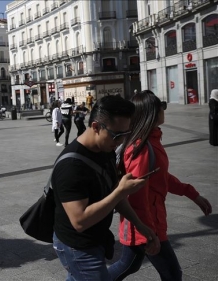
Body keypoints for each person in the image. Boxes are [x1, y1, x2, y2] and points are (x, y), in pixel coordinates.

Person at [108, 90, 212, 281]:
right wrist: (149, 233)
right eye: (161, 105)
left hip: (145, 222)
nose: (164, 108)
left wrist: (192, 194)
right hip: (147, 224)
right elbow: (137, 196)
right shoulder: (142, 149)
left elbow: (160, 177)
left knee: (128, 265)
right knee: (172, 274)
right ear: (152, 112)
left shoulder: (150, 142)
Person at [52, 95, 159, 280]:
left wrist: (140, 225)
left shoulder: (105, 150)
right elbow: (79, 221)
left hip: (96, 239)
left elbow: (116, 197)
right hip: (77, 246)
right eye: (117, 135)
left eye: (126, 134)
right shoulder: (71, 166)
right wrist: (120, 191)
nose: (120, 141)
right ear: (95, 127)